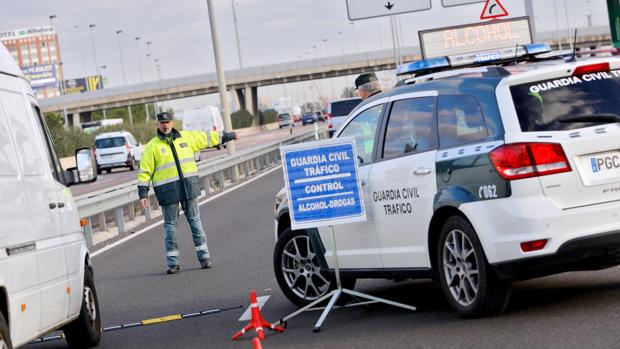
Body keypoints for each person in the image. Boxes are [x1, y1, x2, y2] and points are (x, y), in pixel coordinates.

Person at [137, 112, 238, 274]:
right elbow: (144, 171)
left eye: (168, 122)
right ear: (158, 124)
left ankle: (204, 258)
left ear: (172, 123)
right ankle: (173, 263)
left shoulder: (185, 138)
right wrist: (142, 192)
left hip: (188, 187)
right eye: (162, 122)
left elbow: (206, 138)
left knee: (195, 222)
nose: (165, 125)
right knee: (170, 227)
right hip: (168, 191)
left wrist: (226, 136)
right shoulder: (152, 146)